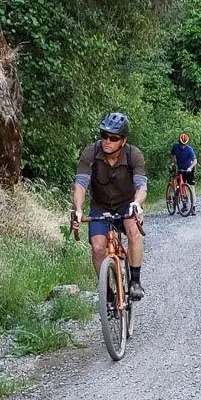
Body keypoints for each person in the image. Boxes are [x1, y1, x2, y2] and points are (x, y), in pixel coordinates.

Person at [73, 112, 147, 300]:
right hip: (100, 206)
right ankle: (107, 292)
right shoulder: (90, 152)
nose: (107, 141)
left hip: (126, 205)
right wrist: (78, 209)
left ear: (123, 140)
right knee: (98, 248)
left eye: (113, 138)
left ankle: (135, 282)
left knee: (133, 231)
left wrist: (137, 204)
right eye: (104, 135)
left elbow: (141, 186)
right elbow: (81, 184)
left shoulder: (133, 155)